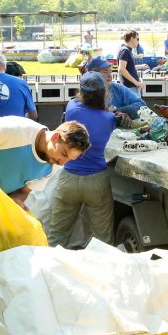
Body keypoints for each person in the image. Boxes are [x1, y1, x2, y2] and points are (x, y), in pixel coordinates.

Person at [0, 109, 90, 208]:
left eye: (70, 160)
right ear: (56, 137)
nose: (63, 163)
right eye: (64, 154)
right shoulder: (15, 130)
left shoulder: (55, 164)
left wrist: (16, 201)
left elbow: (24, 191)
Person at [49, 72, 116, 248]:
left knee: (57, 236)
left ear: (81, 91)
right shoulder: (109, 119)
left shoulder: (72, 109)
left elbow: (79, 104)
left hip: (69, 179)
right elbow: (106, 116)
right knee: (103, 239)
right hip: (97, 181)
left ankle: (51, 270)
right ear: (104, 93)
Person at [117, 30, 144, 94]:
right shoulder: (125, 50)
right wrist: (136, 82)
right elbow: (122, 69)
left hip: (130, 87)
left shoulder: (127, 50)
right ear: (132, 38)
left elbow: (127, 67)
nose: (138, 41)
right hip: (130, 88)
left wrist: (139, 66)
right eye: (137, 39)